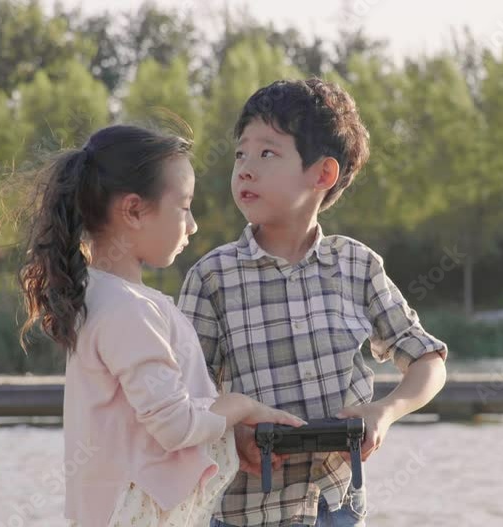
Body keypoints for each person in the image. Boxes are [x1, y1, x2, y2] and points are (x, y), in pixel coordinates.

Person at [178, 79, 449, 527]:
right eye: (240, 154)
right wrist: (234, 434)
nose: (245, 169)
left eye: (267, 153)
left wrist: (385, 412)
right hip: (245, 512)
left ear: (322, 174)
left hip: (336, 508)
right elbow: (186, 398)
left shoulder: (357, 265)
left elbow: (428, 360)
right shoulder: (212, 277)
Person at [17, 124, 305, 527]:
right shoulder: (127, 310)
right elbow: (175, 425)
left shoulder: (101, 297)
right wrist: (244, 406)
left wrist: (230, 435)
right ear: (134, 211)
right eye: (184, 207)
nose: (193, 225)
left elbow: (145, 426)